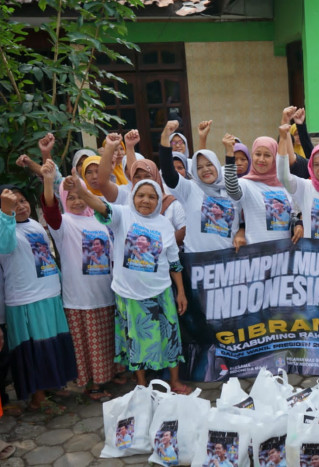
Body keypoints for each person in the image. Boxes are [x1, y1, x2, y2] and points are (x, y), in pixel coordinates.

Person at [64, 176, 192, 394]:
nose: (146, 200)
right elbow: (101, 206)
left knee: (169, 337)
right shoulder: (123, 215)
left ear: (159, 201)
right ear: (133, 197)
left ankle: (175, 381)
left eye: (152, 197)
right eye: (141, 195)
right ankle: (141, 385)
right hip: (130, 295)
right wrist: (82, 191)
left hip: (161, 293)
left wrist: (180, 292)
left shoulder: (165, 226)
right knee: (136, 342)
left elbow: (174, 263)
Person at [39, 160, 117, 401]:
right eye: (70, 197)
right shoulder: (63, 224)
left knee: (107, 344)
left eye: (80, 195)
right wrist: (50, 181)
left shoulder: (100, 220)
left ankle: (109, 378)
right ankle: (92, 386)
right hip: (80, 300)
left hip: (106, 294)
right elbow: (51, 212)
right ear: (64, 200)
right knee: (88, 348)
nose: (77, 201)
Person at [0, 185, 78, 414]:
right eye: (14, 204)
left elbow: (48, 257)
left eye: (23, 201)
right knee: (34, 350)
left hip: (49, 294)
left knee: (52, 345)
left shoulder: (34, 225)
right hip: (25, 299)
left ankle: (52, 385)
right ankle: (37, 398)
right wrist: (5, 214)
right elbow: (4, 246)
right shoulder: (6, 228)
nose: (21, 206)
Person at [160, 121, 242, 252]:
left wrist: (229, 151)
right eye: (199, 167)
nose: (205, 170)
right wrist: (165, 138)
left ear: (217, 165)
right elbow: (169, 174)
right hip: (197, 263)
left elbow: (232, 180)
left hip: (229, 264)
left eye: (209, 165)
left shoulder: (231, 190)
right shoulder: (190, 189)